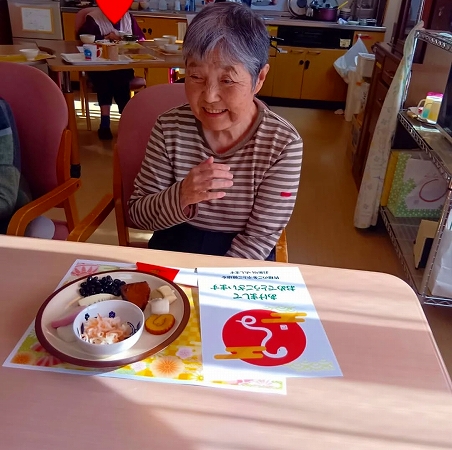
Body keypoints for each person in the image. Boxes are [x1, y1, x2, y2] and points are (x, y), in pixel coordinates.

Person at [128, 2, 303, 260]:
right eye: (196, 76)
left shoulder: (282, 144)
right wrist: (182, 195)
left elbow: (259, 239)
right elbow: (138, 215)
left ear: (260, 78)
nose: (209, 97)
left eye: (227, 80)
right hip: (174, 245)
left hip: (242, 258)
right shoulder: (169, 127)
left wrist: (213, 287)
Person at [77, 8, 145, 140]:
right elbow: (83, 40)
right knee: (105, 76)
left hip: (122, 64)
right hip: (99, 64)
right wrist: (105, 38)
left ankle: (121, 121)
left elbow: (140, 39)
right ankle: (107, 121)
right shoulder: (93, 18)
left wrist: (122, 38)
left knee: (121, 75)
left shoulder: (128, 18)